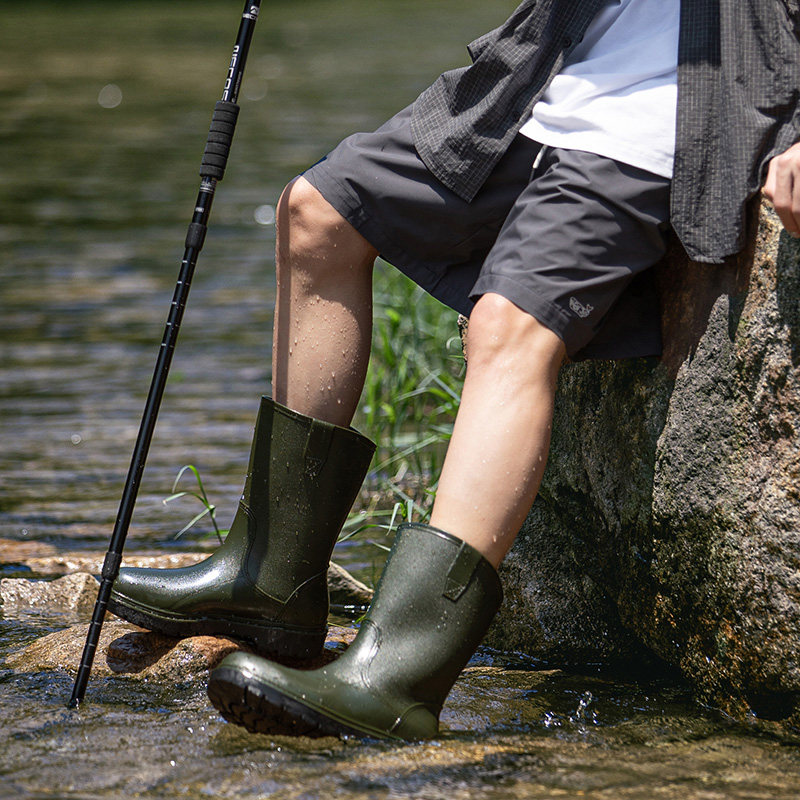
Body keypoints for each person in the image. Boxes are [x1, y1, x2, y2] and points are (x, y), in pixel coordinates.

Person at [109, 0, 800, 740]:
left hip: (664, 123)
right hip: (540, 78)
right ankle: (270, 580)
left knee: (508, 327)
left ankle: (397, 677)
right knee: (316, 215)